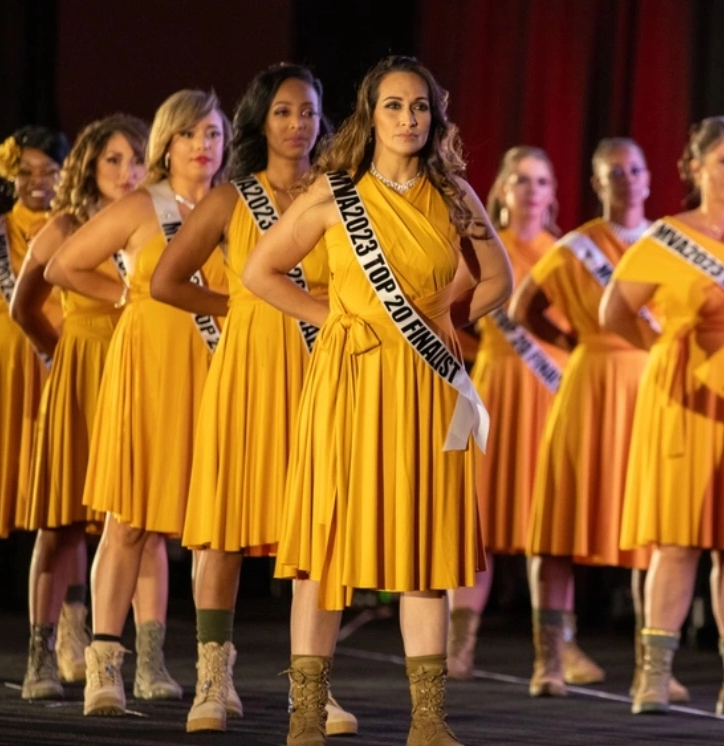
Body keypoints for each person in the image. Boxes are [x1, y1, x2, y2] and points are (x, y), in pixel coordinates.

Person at [242, 55, 511, 746]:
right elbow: (259, 271)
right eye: (394, 106)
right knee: (324, 541)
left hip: (423, 382)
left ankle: (428, 719)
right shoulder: (334, 194)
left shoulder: (452, 193)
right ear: (371, 115)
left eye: (419, 106)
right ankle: (305, 714)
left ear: (435, 115)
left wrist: (442, 322)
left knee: (422, 544)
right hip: (350, 378)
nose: (408, 118)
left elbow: (498, 281)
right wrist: (326, 315)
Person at [147, 64, 356, 736]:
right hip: (247, 375)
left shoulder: (341, 195)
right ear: (261, 121)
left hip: (322, 375)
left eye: (309, 112)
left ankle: (313, 688)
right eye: (284, 112)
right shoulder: (232, 200)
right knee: (227, 530)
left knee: (319, 533)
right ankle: (214, 679)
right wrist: (237, 306)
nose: (299, 125)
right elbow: (166, 281)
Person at [46, 89, 230, 716]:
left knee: (215, 526)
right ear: (166, 144)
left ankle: (213, 674)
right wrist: (123, 297)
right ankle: (104, 671)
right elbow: (64, 266)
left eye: (212, 134)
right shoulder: (140, 206)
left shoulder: (239, 208)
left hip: (214, 370)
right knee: (128, 520)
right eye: (188, 135)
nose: (202, 146)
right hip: (148, 365)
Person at [601, 116, 724, 718]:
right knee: (677, 540)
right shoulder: (667, 235)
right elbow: (615, 310)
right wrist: (659, 348)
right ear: (695, 168)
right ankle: (653, 675)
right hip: (682, 392)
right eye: (721, 161)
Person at [512, 137, 685, 702]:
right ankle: (549, 663)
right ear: (596, 181)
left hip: (651, 384)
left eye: (635, 169)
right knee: (561, 528)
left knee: (652, 532)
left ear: (649, 177)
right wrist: (574, 340)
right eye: (614, 172)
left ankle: (651, 667)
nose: (627, 179)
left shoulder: (669, 242)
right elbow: (523, 310)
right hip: (589, 383)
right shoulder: (577, 244)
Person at [447, 146, 601, 684]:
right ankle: (458, 644)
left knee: (551, 522)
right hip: (494, 386)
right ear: (504, 189)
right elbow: (447, 311)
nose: (532, 190)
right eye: (522, 180)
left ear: (553, 192)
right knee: (478, 519)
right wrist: (473, 354)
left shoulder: (565, 251)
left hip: (552, 391)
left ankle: (562, 649)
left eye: (542, 181)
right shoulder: (483, 245)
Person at [9, 114, 149, 700]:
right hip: (84, 372)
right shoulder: (66, 224)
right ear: (91, 164)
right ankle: (40, 658)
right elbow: (24, 306)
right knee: (62, 523)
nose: (126, 171)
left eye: (136, 160)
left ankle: (141, 661)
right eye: (113, 159)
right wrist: (59, 353)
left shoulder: (154, 220)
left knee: (136, 520)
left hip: (137, 377)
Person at [0, 125, 69, 675]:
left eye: (49, 169)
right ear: (9, 176)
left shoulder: (80, 230)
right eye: (26, 171)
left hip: (59, 381)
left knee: (68, 514)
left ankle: (69, 635)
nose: (38, 181)